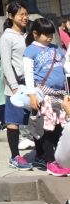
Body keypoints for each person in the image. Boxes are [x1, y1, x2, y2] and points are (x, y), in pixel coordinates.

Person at [24, 17, 69, 174]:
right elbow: (28, 74)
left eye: (51, 34)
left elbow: (66, 66)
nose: (49, 37)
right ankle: (50, 161)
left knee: (59, 128)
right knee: (48, 129)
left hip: (60, 94)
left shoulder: (56, 48)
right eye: (46, 34)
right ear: (36, 33)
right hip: (44, 95)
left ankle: (59, 159)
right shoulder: (30, 50)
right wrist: (32, 95)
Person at [0, 0, 33, 170]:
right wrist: (13, 86)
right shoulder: (7, 37)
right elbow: (6, 63)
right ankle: (15, 156)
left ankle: (41, 153)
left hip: (32, 83)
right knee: (13, 121)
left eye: (26, 14)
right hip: (16, 85)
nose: (25, 18)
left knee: (35, 120)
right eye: (21, 15)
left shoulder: (28, 34)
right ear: (11, 16)